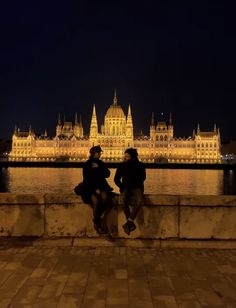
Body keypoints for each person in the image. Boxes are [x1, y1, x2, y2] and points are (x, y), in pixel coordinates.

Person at [114, 148, 146, 235]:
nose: (125, 157)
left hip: (137, 187)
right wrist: (122, 187)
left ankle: (128, 223)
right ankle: (130, 222)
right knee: (122, 200)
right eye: (125, 155)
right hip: (126, 187)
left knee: (139, 200)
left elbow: (143, 177)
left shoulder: (140, 165)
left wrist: (134, 182)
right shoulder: (122, 165)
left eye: (127, 156)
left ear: (133, 156)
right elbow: (116, 179)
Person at [82, 145, 112, 234]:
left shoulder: (101, 163)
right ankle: (98, 223)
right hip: (90, 187)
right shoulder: (87, 164)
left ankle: (98, 221)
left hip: (101, 186)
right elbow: (86, 178)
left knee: (105, 197)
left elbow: (107, 174)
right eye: (99, 153)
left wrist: (99, 167)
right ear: (94, 153)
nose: (100, 155)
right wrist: (94, 189)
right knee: (95, 201)